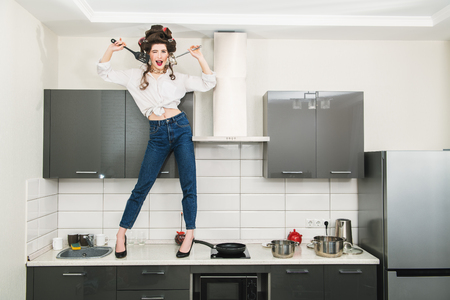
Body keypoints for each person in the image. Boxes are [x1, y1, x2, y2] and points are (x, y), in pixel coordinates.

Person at [97, 25, 216, 258]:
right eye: (155, 52)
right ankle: (121, 233)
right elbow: (104, 71)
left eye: (163, 52)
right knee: (142, 186)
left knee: (189, 186)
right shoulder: (133, 76)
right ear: (148, 54)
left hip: (181, 129)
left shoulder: (179, 78)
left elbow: (208, 83)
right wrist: (111, 49)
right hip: (157, 133)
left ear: (169, 55)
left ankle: (189, 234)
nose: (159, 56)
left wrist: (200, 57)